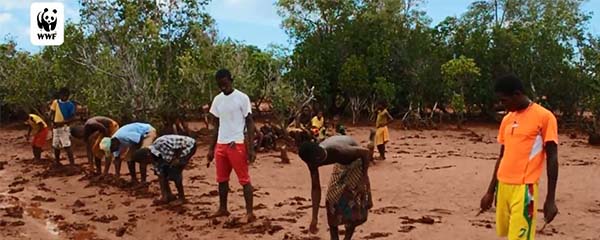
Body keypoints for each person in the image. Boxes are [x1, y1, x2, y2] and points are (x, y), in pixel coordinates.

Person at [479, 74, 559, 240]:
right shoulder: (507, 120)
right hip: (503, 187)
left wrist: (550, 199)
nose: (502, 105)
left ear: (517, 94)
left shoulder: (544, 117)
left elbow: (552, 158)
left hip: (525, 190)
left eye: (504, 100)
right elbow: (502, 156)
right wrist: (490, 191)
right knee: (506, 234)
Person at [206, 69, 257, 223]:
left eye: (225, 83)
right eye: (220, 85)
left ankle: (250, 212)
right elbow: (216, 125)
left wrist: (251, 148)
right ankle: (223, 208)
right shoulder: (217, 100)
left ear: (231, 80)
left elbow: (249, 122)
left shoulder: (242, 98)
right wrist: (211, 148)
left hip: (237, 144)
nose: (223, 87)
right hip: (221, 144)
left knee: (244, 179)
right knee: (221, 179)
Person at [297, 136, 373, 240]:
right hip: (341, 163)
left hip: (356, 161)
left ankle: (347, 237)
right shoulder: (312, 161)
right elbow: (315, 188)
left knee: (351, 200)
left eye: (315, 161)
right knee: (331, 200)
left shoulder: (339, 150)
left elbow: (365, 153)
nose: (313, 165)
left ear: (318, 157)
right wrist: (314, 218)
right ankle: (334, 237)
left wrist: (363, 179)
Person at [132, 135, 197, 205]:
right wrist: (164, 195)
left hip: (188, 146)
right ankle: (167, 195)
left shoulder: (161, 145)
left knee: (175, 170)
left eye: (146, 162)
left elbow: (172, 160)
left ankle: (182, 198)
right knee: (163, 172)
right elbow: (160, 174)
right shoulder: (153, 156)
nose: (149, 163)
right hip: (175, 152)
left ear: (148, 156)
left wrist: (176, 165)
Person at [49, 87, 77, 165]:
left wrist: (62, 122)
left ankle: (72, 164)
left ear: (68, 96)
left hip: (64, 127)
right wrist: (52, 122)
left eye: (66, 96)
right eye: (62, 95)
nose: (64, 97)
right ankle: (57, 162)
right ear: (60, 95)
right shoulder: (56, 102)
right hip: (56, 127)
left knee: (67, 145)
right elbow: (52, 112)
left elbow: (72, 117)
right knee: (56, 145)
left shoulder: (70, 105)